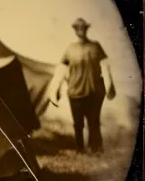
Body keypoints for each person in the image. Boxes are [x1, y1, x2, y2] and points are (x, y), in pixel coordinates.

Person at [50, 18, 116, 153]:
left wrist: (110, 87)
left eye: (83, 28)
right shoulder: (70, 49)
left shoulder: (95, 47)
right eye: (78, 28)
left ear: (87, 29)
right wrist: (55, 90)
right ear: (75, 30)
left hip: (93, 91)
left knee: (93, 122)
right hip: (74, 92)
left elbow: (105, 68)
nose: (81, 30)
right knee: (78, 123)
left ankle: (96, 149)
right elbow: (61, 70)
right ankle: (80, 149)